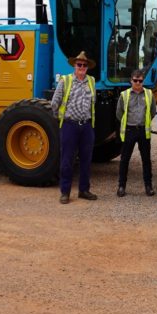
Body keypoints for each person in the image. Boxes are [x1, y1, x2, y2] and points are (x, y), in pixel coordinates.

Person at [51, 51, 97, 204]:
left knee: (86, 160)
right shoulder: (65, 81)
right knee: (67, 160)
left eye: (84, 65)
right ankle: (65, 192)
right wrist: (61, 118)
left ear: (87, 67)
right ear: (74, 66)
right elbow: (54, 103)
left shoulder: (91, 81)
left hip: (86, 126)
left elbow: (93, 102)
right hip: (70, 125)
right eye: (79, 64)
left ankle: (84, 190)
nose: (82, 67)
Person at [115, 69, 155, 198]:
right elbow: (119, 113)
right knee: (124, 159)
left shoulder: (149, 94)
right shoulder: (124, 95)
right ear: (131, 81)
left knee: (146, 160)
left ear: (143, 81)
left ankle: (148, 186)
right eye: (135, 80)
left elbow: (152, 112)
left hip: (143, 131)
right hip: (129, 130)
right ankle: (121, 186)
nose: (138, 83)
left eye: (140, 81)